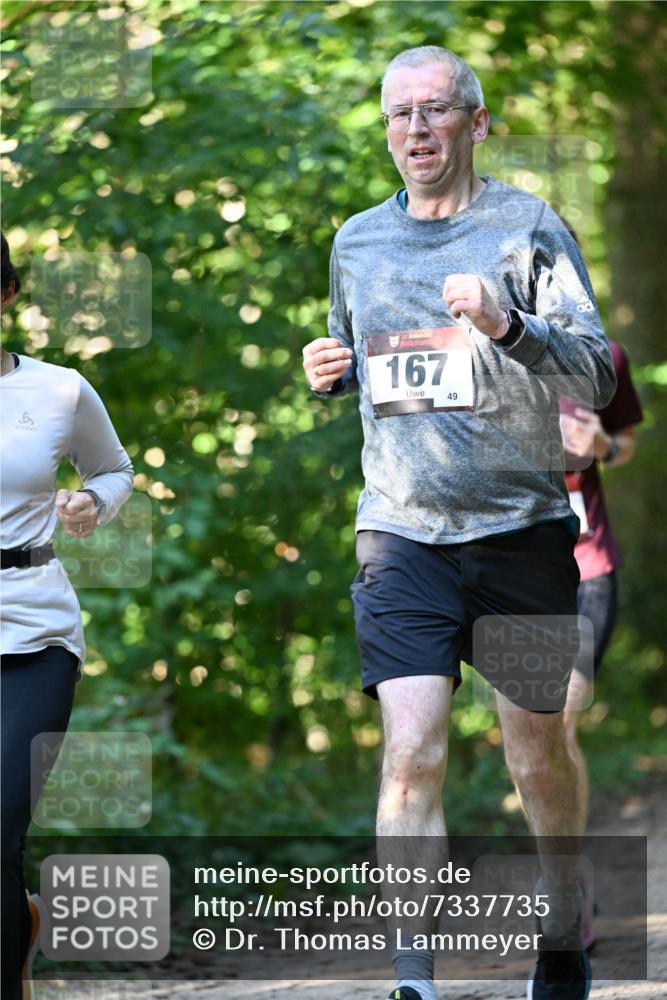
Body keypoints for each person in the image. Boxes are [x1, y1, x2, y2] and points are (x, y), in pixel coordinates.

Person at [302, 46, 616, 1000]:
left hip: (519, 531)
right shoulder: (356, 242)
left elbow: (597, 373)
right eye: (399, 114)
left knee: (536, 749)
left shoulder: (526, 226)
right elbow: (376, 366)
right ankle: (412, 978)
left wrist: (509, 326)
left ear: (475, 123)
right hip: (400, 534)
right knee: (409, 752)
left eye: (435, 112)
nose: (415, 131)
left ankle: (561, 932)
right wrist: (331, 373)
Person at [0, 232, 134, 1000]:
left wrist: (92, 502)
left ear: (8, 295)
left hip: (33, 629)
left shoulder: (57, 389)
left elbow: (113, 469)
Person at [560, 340, 643, 948]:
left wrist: (603, 447)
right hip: (511, 573)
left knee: (560, 716)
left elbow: (625, 443)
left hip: (587, 570)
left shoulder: (602, 356)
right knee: (531, 734)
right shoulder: (473, 353)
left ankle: (565, 893)